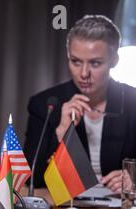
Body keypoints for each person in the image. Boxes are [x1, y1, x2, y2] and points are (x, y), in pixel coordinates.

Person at [24, 15, 136, 192]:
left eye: (95, 63)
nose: (84, 73)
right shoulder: (45, 103)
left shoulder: (132, 101)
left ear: (114, 61)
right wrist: (61, 133)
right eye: (76, 61)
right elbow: (32, 180)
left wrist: (133, 179)